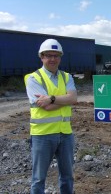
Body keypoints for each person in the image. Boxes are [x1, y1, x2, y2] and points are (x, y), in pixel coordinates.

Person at [24, 39, 77, 194]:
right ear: (42, 57)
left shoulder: (67, 77)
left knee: (67, 177)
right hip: (42, 135)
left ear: (60, 57)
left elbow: (73, 98)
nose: (52, 59)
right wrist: (65, 100)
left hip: (65, 134)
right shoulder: (33, 78)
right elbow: (44, 107)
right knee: (39, 178)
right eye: (48, 55)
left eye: (56, 55)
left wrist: (52, 98)